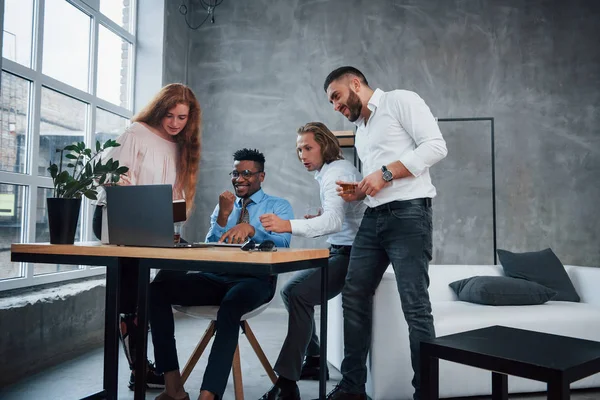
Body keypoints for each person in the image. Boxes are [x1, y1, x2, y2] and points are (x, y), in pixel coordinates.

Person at [322, 67, 448, 400]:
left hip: (409, 217)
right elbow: (378, 179)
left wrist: (385, 173)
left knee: (416, 307)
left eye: (336, 96)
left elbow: (436, 147)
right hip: (374, 217)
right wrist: (361, 191)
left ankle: (425, 393)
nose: (335, 106)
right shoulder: (361, 129)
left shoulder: (399, 101)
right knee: (354, 294)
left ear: (355, 84)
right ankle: (352, 386)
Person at [149, 148, 294, 400]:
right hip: (217, 277)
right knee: (156, 291)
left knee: (230, 307)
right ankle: (173, 387)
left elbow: (282, 245)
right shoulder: (224, 206)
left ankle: (209, 394)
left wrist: (252, 230)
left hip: (256, 280)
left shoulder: (278, 206)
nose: (239, 178)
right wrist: (223, 217)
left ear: (262, 176)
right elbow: (209, 247)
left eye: (247, 173)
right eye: (236, 173)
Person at [92, 83, 202, 390]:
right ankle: (138, 369)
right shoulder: (136, 132)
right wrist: (125, 187)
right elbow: (105, 174)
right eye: (170, 115)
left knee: (148, 293)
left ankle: (144, 368)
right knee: (131, 297)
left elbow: (172, 196)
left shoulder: (182, 146)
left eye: (182, 117)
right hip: (117, 218)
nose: (175, 123)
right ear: (159, 110)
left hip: (150, 224)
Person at [258, 122, 366, 400]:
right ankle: (315, 359)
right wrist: (317, 217)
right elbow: (340, 214)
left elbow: (333, 221)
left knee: (296, 293)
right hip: (341, 249)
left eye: (308, 148)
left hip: (352, 254)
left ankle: (287, 383)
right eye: (298, 149)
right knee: (291, 291)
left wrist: (286, 225)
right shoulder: (331, 172)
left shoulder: (336, 174)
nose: (302, 155)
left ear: (325, 146)